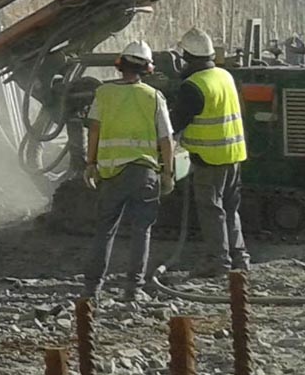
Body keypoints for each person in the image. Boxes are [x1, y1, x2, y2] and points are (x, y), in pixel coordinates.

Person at [82, 41, 175, 303]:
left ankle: (91, 288)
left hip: (111, 174)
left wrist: (90, 163)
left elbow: (94, 130)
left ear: (120, 65)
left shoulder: (104, 93)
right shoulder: (154, 97)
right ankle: (133, 289)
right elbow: (166, 139)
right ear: (147, 68)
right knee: (141, 230)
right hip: (145, 173)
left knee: (105, 230)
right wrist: (167, 173)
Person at [171, 27, 250, 278]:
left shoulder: (194, 86)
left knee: (211, 210)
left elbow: (176, 122)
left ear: (188, 57)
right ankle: (239, 258)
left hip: (209, 158)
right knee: (229, 208)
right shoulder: (224, 76)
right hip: (234, 154)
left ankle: (218, 261)